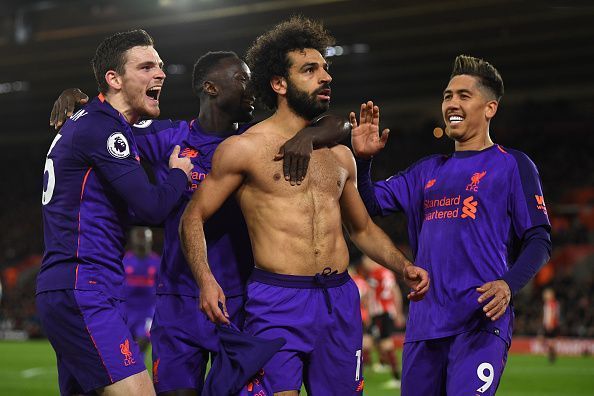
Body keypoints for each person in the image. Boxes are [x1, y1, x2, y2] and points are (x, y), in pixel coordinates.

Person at [50, 50, 350, 395]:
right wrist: (79, 101)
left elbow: (337, 125)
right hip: (178, 300)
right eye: (241, 78)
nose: (250, 87)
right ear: (210, 87)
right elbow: (107, 122)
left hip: (240, 301)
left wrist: (307, 137)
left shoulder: (258, 141)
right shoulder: (169, 137)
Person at [179, 16, 429, 396]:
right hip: (276, 300)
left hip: (339, 299)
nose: (325, 77)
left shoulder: (341, 155)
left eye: (326, 69)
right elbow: (192, 217)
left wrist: (403, 265)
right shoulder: (244, 149)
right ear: (279, 84)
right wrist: (206, 279)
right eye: (310, 70)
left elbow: (361, 229)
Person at [353, 54, 552, 395]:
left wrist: (507, 284)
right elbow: (369, 204)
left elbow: (539, 238)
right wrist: (363, 160)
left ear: (490, 108)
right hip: (424, 327)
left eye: (463, 95)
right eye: (447, 96)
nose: (451, 103)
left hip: (479, 324)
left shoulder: (513, 165)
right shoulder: (425, 171)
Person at [36, 29, 193, 396]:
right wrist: (177, 175)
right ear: (114, 79)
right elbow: (151, 207)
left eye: (161, 66)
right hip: (84, 284)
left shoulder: (96, 122)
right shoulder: (102, 128)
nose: (161, 73)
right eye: (146, 66)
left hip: (81, 284)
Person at [360, 255, 404, 388]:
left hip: (380, 313)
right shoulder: (388, 273)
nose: (365, 264)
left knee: (385, 343)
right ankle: (379, 366)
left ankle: (397, 378)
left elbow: (369, 295)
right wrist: (398, 312)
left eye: (366, 261)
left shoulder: (375, 274)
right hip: (386, 312)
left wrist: (366, 311)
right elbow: (395, 291)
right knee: (372, 340)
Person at [123, 227, 160, 365]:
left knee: (143, 339)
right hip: (127, 309)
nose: (142, 241)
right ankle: (130, 370)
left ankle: (137, 368)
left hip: (147, 311)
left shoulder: (157, 263)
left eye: (145, 238)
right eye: (139, 238)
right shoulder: (125, 261)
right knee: (125, 343)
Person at [542, 287, 560, 363]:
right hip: (549, 325)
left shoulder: (552, 304)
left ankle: (552, 356)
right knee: (549, 341)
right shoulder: (550, 303)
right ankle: (551, 355)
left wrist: (550, 324)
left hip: (551, 325)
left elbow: (552, 315)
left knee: (550, 342)